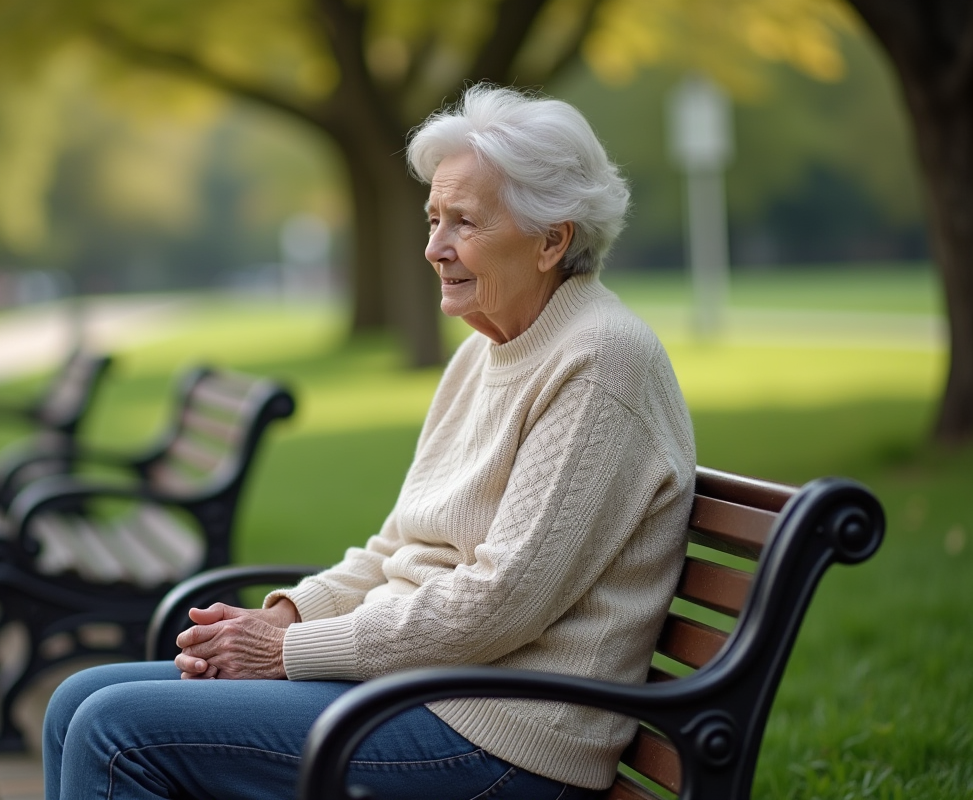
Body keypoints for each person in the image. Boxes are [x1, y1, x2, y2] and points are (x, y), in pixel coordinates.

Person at [42, 83, 696, 800]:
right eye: (433, 218)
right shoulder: (484, 350)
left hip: (505, 734)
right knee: (76, 702)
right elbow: (398, 547)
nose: (433, 248)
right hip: (428, 690)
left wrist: (288, 653)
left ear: (552, 239)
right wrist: (288, 613)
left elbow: (499, 601)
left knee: (114, 727)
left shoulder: (601, 360)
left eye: (464, 224)